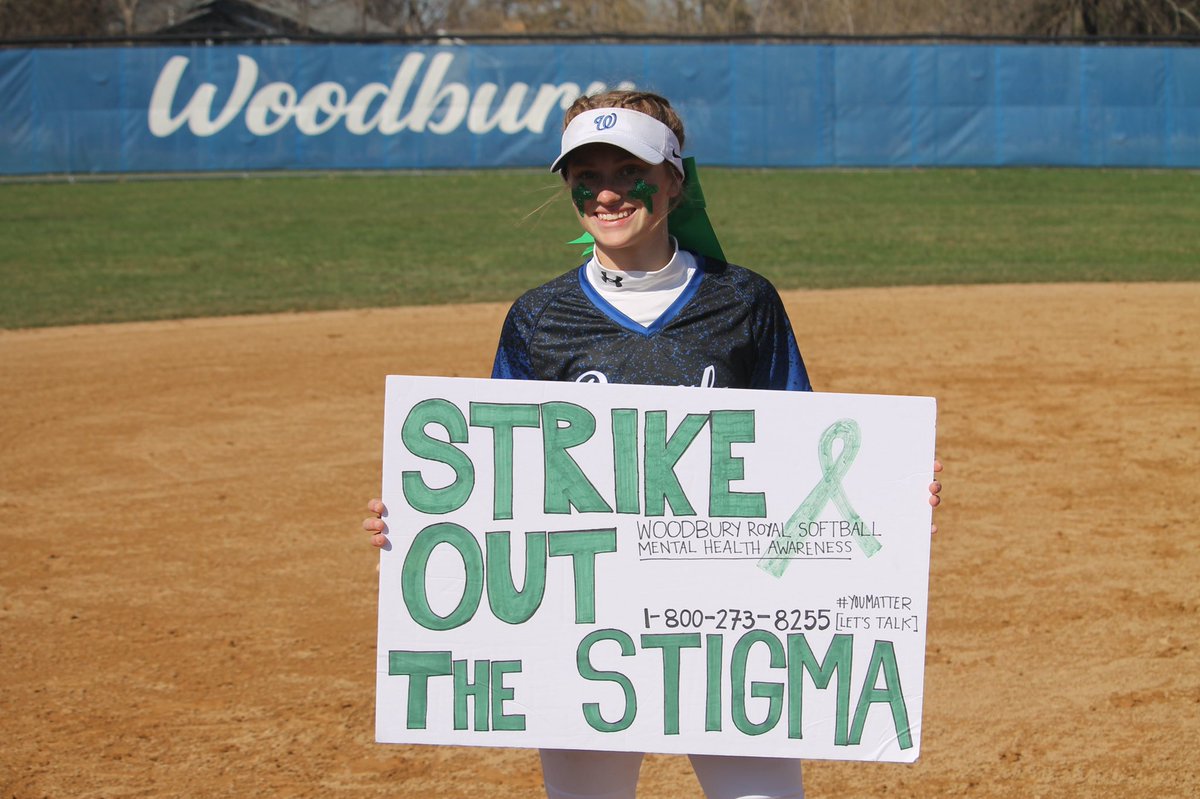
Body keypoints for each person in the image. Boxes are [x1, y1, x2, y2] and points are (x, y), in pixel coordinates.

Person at [364, 89, 943, 799]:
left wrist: (892, 499)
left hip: (732, 632)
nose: (606, 191)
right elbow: (496, 486)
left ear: (675, 177)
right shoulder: (539, 318)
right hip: (582, 635)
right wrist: (416, 520)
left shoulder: (744, 300)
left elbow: (805, 454)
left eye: (628, 168)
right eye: (586, 173)